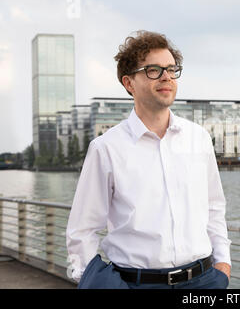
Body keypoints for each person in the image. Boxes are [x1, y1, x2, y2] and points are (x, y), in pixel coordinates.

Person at [66, 30, 231, 289]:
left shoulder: (198, 139)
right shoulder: (106, 148)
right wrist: (97, 282)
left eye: (171, 69)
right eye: (153, 70)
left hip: (204, 281)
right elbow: (82, 229)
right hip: (136, 285)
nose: (166, 76)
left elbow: (214, 207)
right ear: (129, 83)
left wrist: (223, 265)